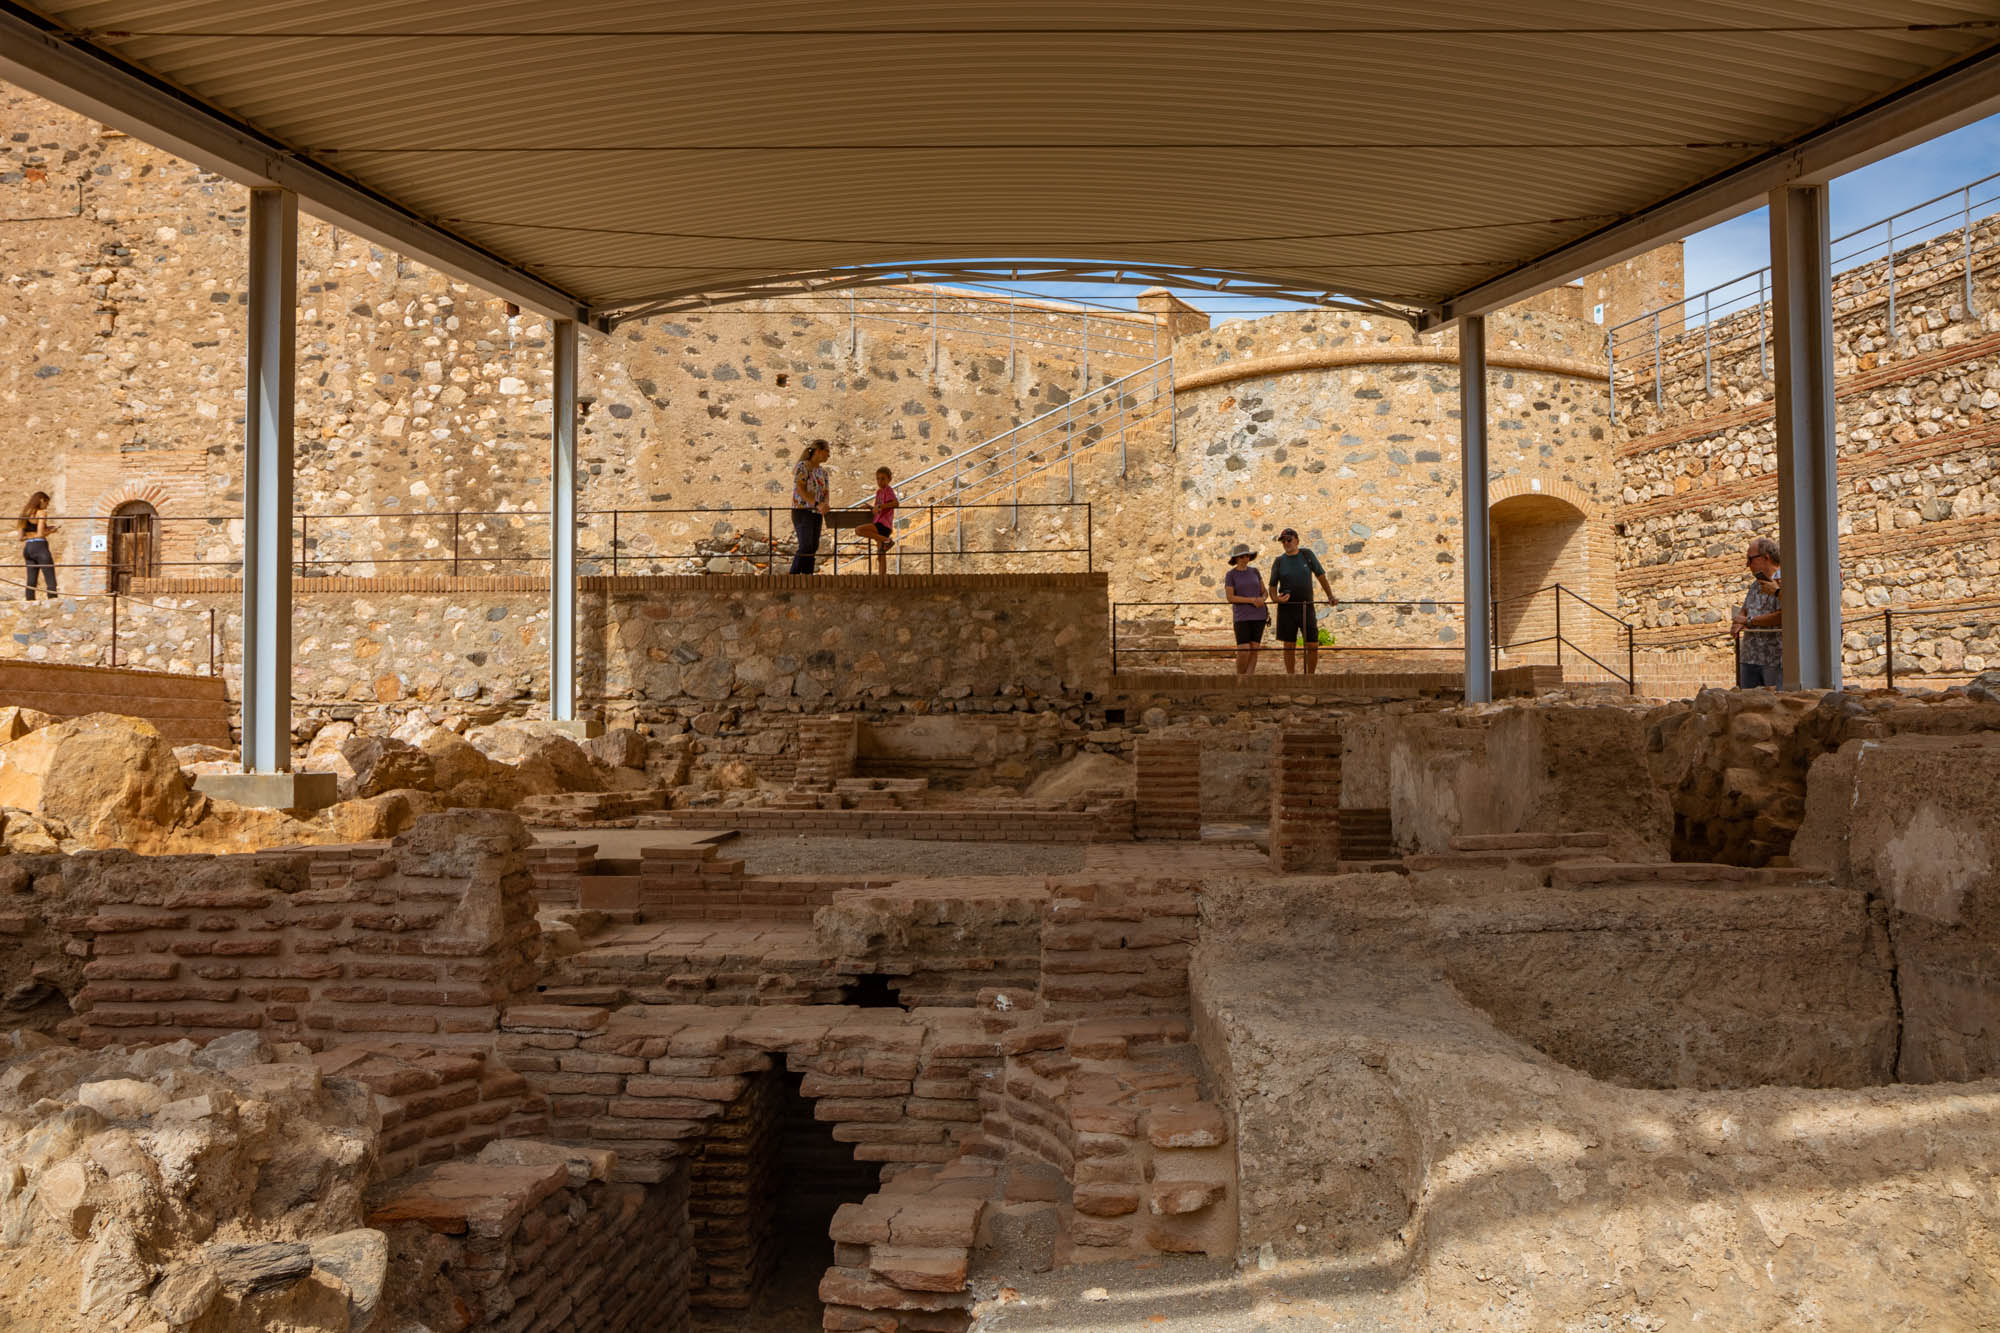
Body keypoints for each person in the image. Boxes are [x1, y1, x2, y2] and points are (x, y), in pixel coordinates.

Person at [1267, 527, 1339, 674]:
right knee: (1289, 645)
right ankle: (1291, 677)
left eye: (1289, 540)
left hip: (1307, 606)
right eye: (1283, 541)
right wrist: (1276, 599)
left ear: (1297, 541)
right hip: (1287, 608)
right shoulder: (1279, 561)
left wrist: (1330, 596)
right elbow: (1272, 586)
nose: (1286, 543)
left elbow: (1321, 575)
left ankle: (1310, 676)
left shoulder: (1307, 555)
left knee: (1312, 644)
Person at [1730, 536, 1783, 688]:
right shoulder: (1755, 584)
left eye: (1750, 559)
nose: (1747, 565)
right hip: (1750, 657)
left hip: (1773, 658)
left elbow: (1784, 615)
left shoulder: (1783, 581)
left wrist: (1749, 621)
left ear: (1766, 557)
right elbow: (1745, 609)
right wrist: (1738, 622)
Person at [1223, 542, 1270, 675]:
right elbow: (1230, 597)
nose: (1246, 558)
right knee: (1244, 649)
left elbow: (1264, 591)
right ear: (1237, 558)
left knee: (1254, 648)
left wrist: (1263, 599)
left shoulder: (1255, 571)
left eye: (1247, 556)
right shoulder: (1230, 575)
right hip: (1242, 616)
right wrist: (1251, 600)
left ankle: (1249, 678)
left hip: (1259, 615)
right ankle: (1240, 677)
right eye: (1243, 556)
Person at [788, 439, 831, 574]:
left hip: (817, 513)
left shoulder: (823, 472)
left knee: (813, 546)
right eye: (827, 451)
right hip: (802, 511)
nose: (829, 455)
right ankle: (793, 576)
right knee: (805, 545)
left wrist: (825, 506)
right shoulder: (803, 466)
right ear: (818, 451)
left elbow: (826, 492)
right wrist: (817, 504)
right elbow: (800, 488)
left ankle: (807, 578)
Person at [853, 466, 897, 574]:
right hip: (878, 522)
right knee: (881, 554)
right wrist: (870, 507)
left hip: (883, 524)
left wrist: (880, 507)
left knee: (859, 530)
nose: (880, 481)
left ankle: (887, 541)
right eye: (878, 478)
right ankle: (882, 578)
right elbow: (877, 508)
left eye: (883, 478)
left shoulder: (888, 490)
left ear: (889, 479)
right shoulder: (878, 492)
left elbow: (895, 503)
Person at [19, 491, 58, 601]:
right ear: (42, 500)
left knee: (31, 580)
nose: (47, 506)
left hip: (28, 548)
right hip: (40, 546)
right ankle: (53, 602)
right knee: (50, 578)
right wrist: (50, 531)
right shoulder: (41, 513)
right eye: (47, 503)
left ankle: (29, 602)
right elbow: (40, 533)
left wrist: (31, 536)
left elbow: (21, 537)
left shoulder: (24, 514)